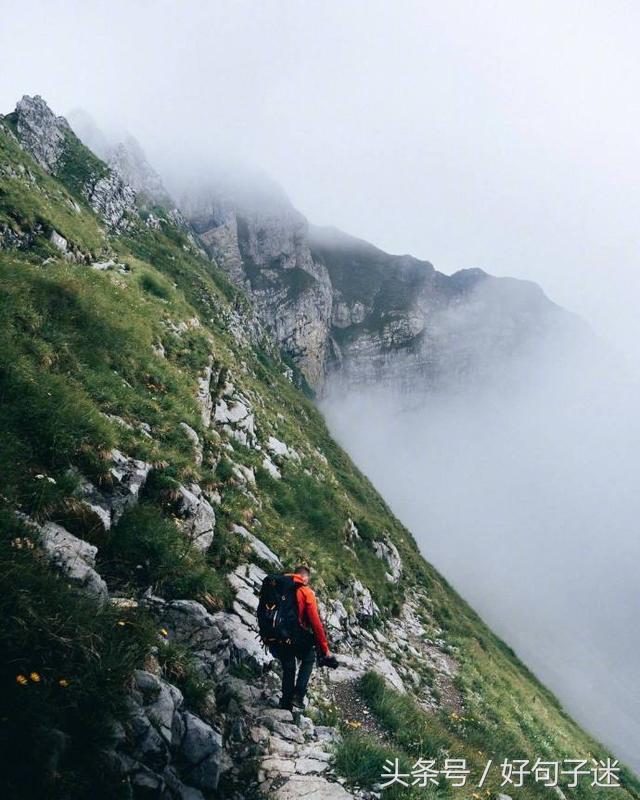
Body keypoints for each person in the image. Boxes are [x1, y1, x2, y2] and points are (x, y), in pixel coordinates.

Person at [269, 565, 338, 710]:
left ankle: (285, 704)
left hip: (276, 634)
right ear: (305, 578)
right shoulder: (306, 592)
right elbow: (316, 623)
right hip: (295, 635)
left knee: (289, 666)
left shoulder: (279, 586)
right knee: (309, 657)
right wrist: (325, 649)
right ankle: (298, 695)